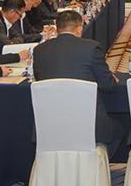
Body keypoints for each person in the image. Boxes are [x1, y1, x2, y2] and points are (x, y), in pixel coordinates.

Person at [33, 10, 125, 157]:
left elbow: (39, 80)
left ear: (57, 28)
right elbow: (108, 85)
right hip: (88, 125)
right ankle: (92, 164)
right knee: (120, 128)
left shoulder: (39, 50)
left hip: (50, 124)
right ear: (79, 28)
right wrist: (111, 79)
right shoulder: (91, 48)